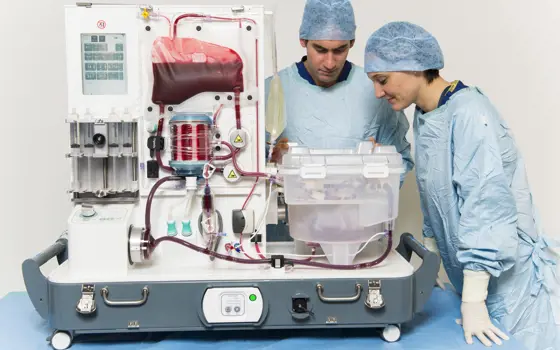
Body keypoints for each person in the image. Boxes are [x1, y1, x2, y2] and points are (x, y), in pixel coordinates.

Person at [363, 21, 560, 350]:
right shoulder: (427, 115)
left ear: (414, 66)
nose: (378, 93)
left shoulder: (469, 112)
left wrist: (473, 301)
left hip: (510, 293)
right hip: (470, 281)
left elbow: (486, 210)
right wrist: (434, 256)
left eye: (382, 80)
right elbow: (436, 197)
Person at [264, 0, 413, 186]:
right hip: (293, 212)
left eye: (339, 50)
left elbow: (400, 163)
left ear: (352, 43)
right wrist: (270, 163)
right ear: (303, 41)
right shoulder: (271, 91)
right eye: (320, 49)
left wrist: (382, 161)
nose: (329, 63)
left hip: (359, 212)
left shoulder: (375, 89)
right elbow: (249, 169)